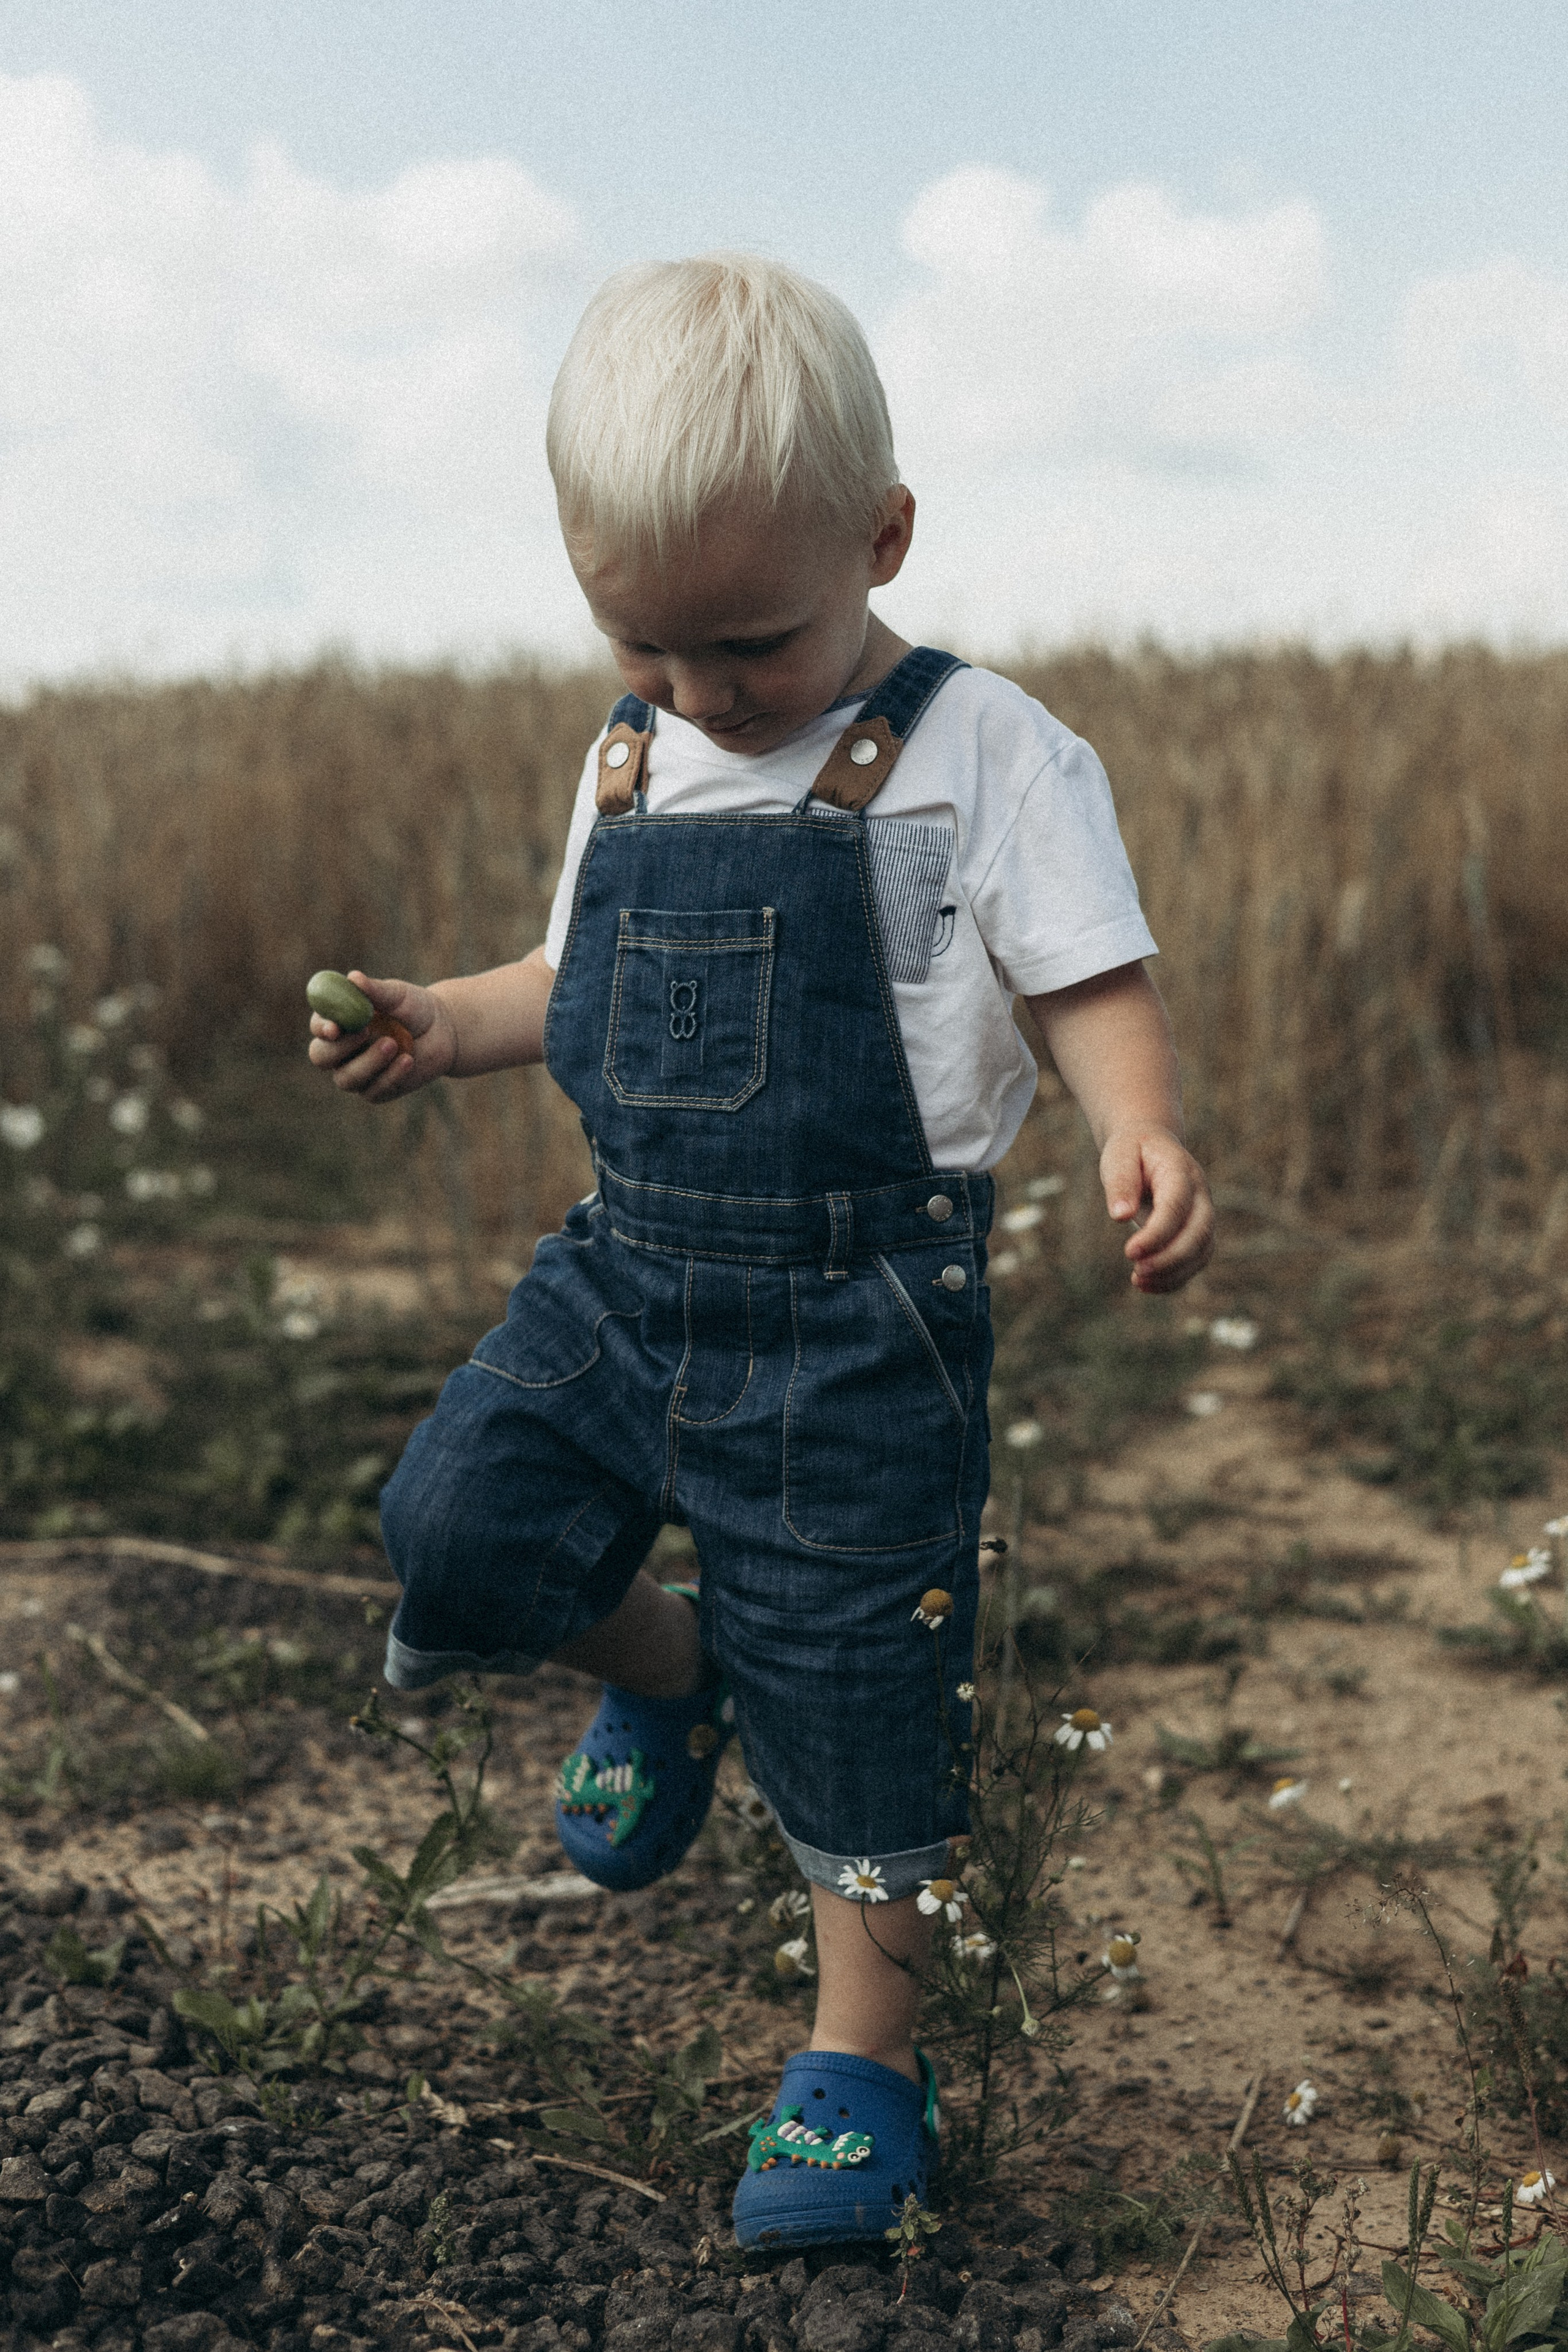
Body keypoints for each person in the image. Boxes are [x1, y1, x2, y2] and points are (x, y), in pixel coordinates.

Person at [308, 253, 1215, 2248]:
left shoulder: (984, 751)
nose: (703, 696)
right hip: (627, 1274)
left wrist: (1136, 1119)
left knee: (859, 1682)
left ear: (881, 537)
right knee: (459, 1523)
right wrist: (438, 1022)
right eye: (645, 643)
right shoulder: (628, 756)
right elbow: (576, 977)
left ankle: (860, 2062)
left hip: (856, 1313)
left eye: (752, 643)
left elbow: (1084, 977)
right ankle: (666, 1669)